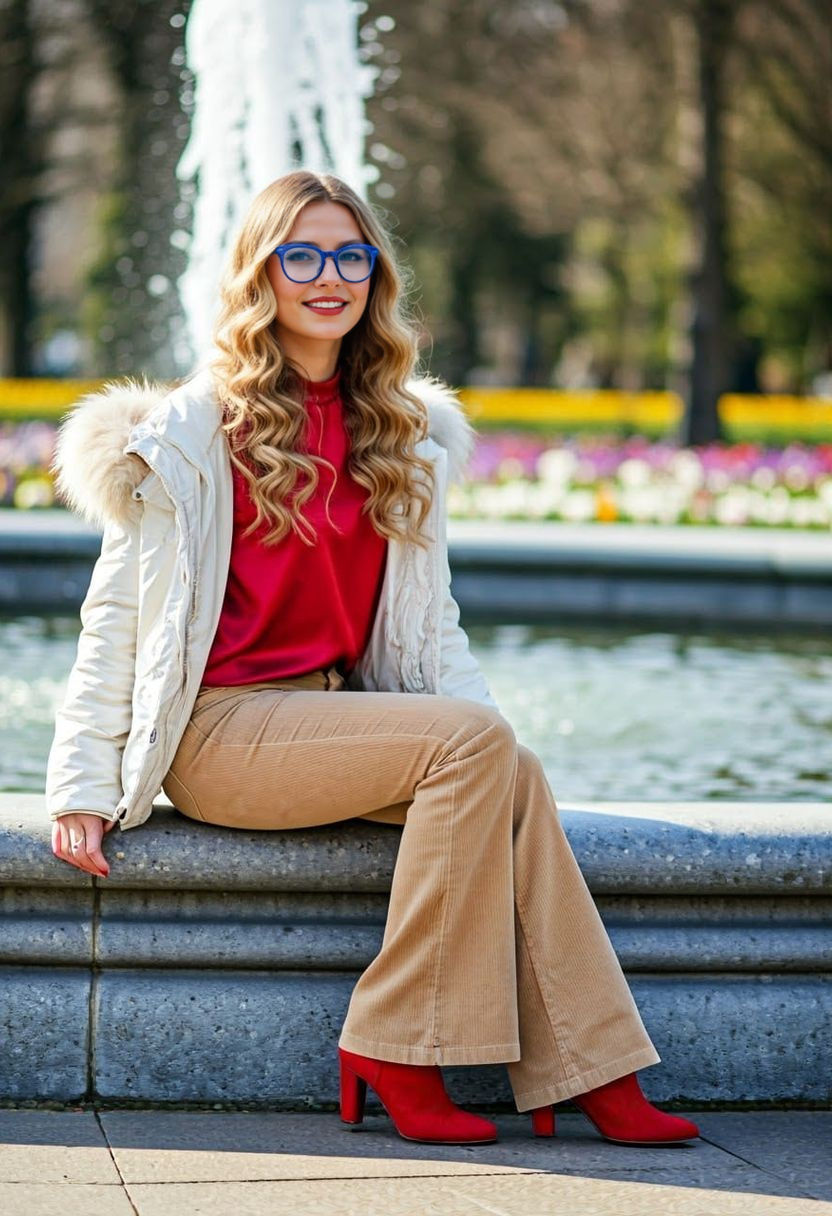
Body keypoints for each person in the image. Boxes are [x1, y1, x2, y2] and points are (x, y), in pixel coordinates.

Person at [46, 169, 699, 1148]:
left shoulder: (402, 432)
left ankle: (591, 1066)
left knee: (505, 765)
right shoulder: (188, 433)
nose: (329, 276)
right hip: (221, 729)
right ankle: (396, 1043)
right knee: (481, 750)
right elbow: (117, 618)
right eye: (301, 254)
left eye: (351, 256)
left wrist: (498, 756)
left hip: (334, 719)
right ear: (261, 272)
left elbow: (433, 633)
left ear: (375, 279)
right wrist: (80, 783)